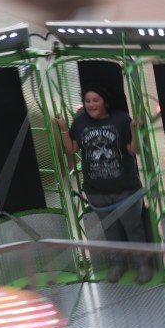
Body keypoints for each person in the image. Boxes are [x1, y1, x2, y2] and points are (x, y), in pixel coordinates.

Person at [53, 84, 153, 284]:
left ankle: (143, 265)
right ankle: (118, 265)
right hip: (97, 191)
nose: (91, 104)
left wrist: (134, 129)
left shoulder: (121, 119)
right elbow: (72, 148)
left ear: (105, 102)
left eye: (95, 100)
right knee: (111, 231)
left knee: (133, 228)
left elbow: (134, 150)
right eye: (87, 101)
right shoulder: (80, 122)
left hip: (125, 189)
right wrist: (64, 128)